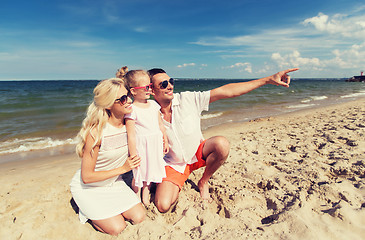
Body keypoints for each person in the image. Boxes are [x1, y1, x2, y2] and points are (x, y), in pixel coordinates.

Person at [147, 67, 299, 213]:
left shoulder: (188, 99)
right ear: (152, 90)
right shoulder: (147, 112)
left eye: (171, 81)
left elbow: (226, 91)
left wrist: (267, 80)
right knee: (162, 205)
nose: (170, 86)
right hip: (174, 164)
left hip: (198, 154)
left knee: (222, 144)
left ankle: (203, 181)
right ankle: (170, 180)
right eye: (164, 84)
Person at [70, 78, 146, 235]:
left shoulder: (129, 124)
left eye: (128, 96)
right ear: (109, 105)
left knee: (139, 217)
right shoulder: (97, 133)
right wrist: (123, 169)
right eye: (123, 99)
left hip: (113, 183)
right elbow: (87, 177)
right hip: (89, 188)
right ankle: (87, 210)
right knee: (117, 228)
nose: (129, 101)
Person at [119, 67, 169, 206]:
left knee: (150, 170)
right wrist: (133, 153)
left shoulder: (153, 105)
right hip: (141, 145)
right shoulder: (132, 109)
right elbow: (131, 134)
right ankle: (136, 193)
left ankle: (145, 195)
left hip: (154, 143)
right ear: (134, 91)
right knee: (139, 173)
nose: (149, 89)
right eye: (146, 87)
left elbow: (160, 125)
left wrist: (165, 140)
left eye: (151, 86)